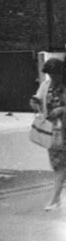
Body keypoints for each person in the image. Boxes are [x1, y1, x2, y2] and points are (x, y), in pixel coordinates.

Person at [35, 57, 66, 210]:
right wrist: (35, 103)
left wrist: (62, 110)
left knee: (61, 167)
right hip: (54, 133)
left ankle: (55, 199)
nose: (52, 77)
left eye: (55, 74)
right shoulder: (45, 86)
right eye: (50, 74)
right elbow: (36, 100)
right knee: (59, 166)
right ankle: (56, 199)